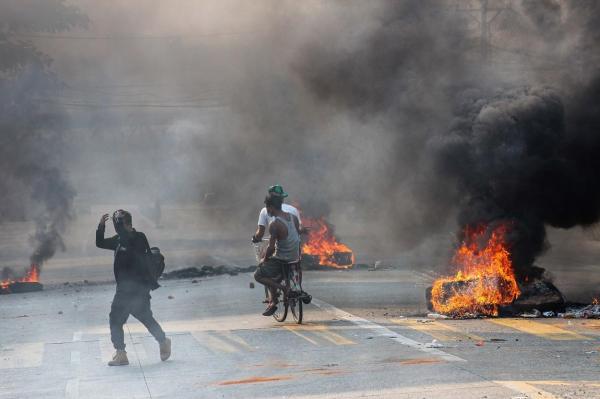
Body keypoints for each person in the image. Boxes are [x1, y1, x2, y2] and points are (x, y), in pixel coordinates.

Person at [96, 209, 171, 366]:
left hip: (138, 289)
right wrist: (101, 226)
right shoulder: (118, 240)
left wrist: (121, 233)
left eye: (121, 224)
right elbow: (100, 243)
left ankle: (163, 341)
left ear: (129, 224)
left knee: (146, 318)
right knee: (115, 320)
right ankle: (121, 353)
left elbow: (133, 248)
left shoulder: (139, 238)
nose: (119, 228)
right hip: (123, 290)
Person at [254, 194, 301, 316]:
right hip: (295, 256)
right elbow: (297, 234)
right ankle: (280, 292)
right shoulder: (293, 217)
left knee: (258, 275)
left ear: (271, 207)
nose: (267, 210)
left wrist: (264, 259)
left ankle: (282, 291)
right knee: (274, 272)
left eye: (267, 207)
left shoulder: (274, 224)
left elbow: (270, 248)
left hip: (282, 259)